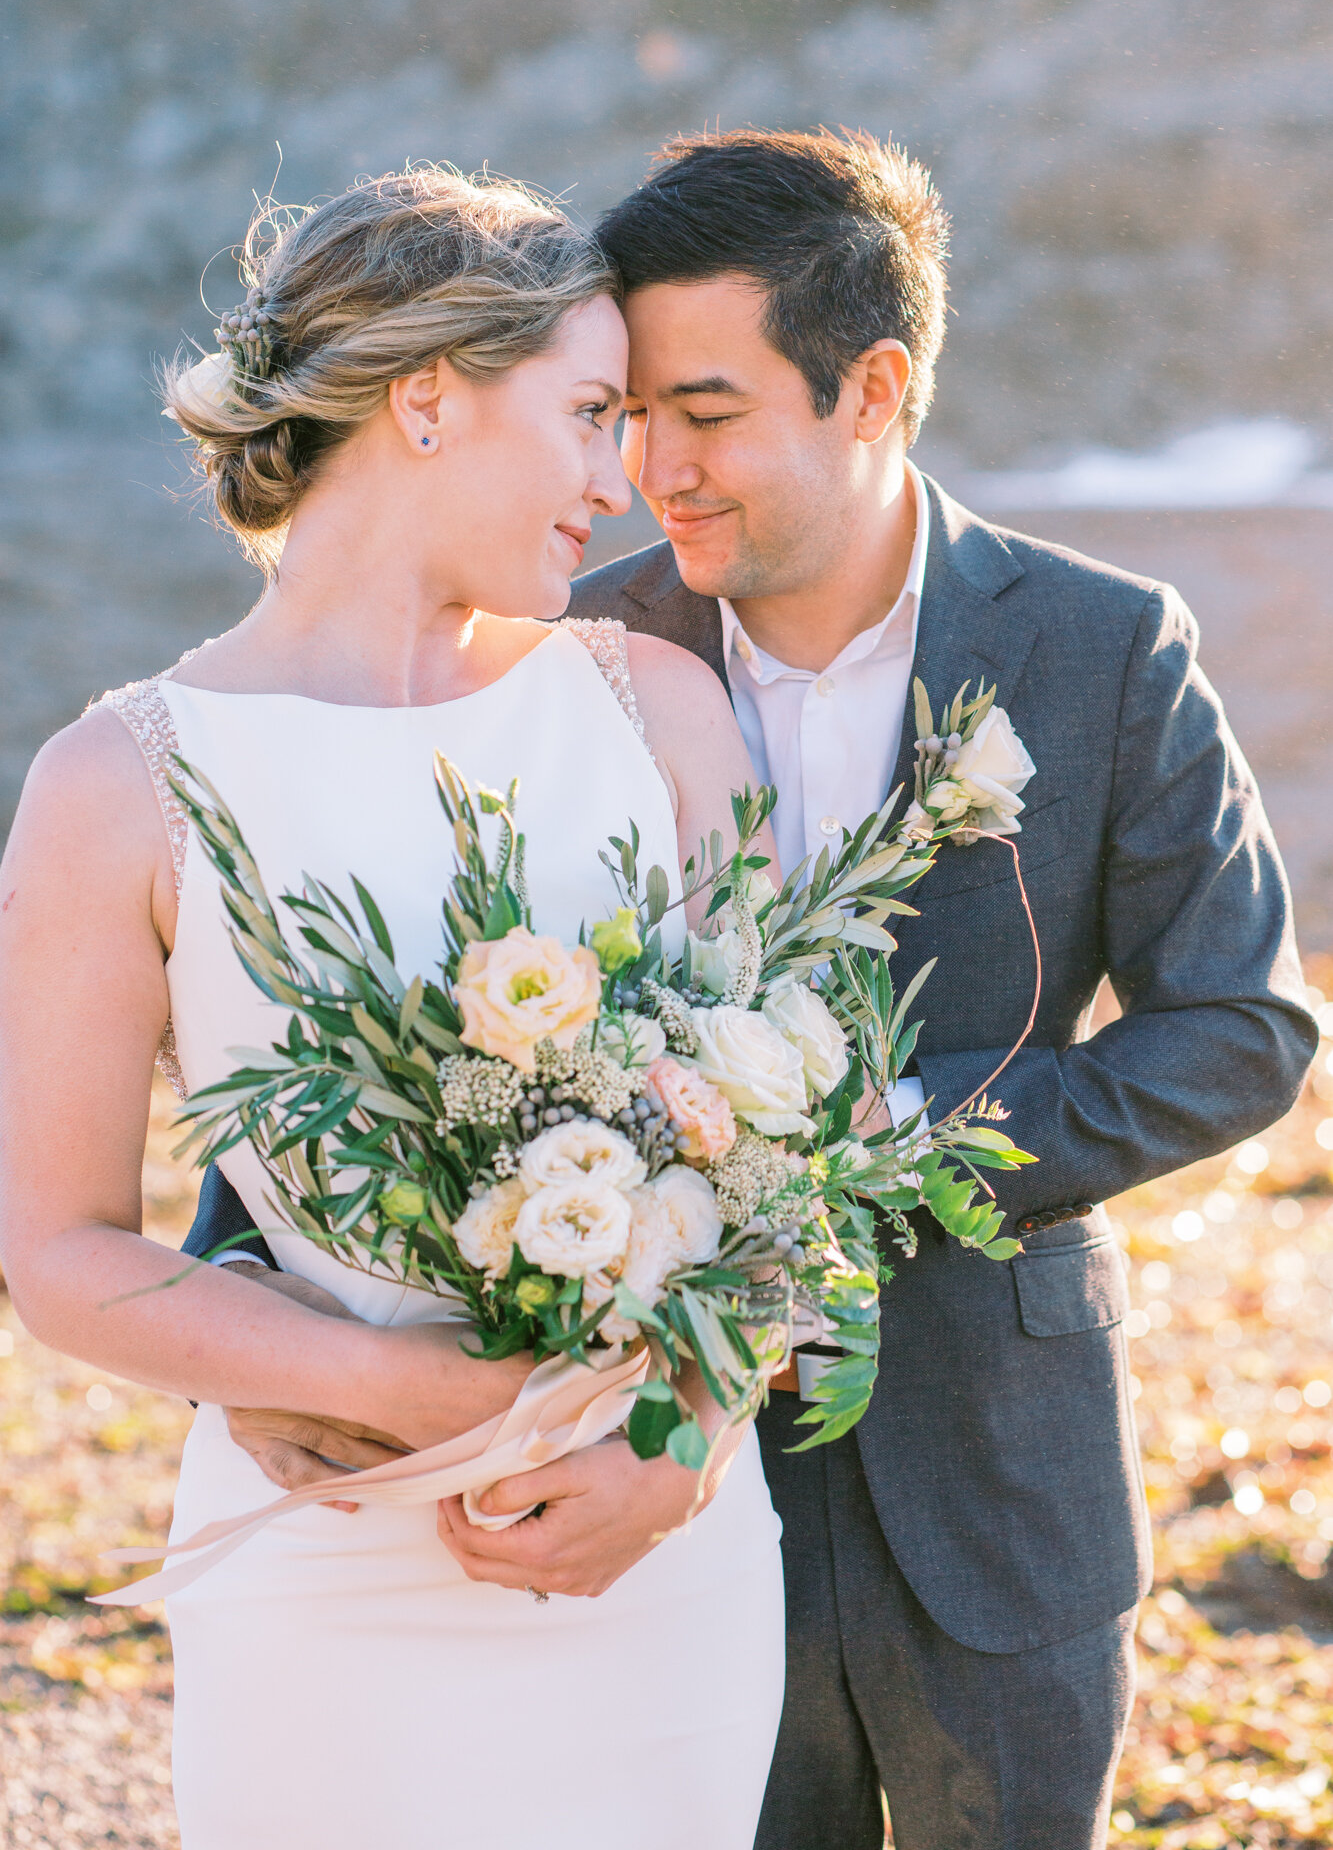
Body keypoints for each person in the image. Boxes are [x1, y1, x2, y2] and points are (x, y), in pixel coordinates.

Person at [185, 128, 1317, 1848]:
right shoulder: (559, 657)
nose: (649, 472)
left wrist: (889, 1141)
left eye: (702, 416)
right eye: (623, 416)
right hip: (640, 1482)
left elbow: (1237, 1030)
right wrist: (236, 1291)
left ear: (870, 390)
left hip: (994, 1470)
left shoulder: (1102, 647)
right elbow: (372, 989)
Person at [0, 166, 786, 1850]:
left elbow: (805, 1133)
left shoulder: (656, 709)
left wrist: (685, 1438)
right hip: (331, 1566)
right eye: (587, 415)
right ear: (426, 400)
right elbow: (60, 1249)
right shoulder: (117, 782)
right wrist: (395, 1387)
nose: (619, 478)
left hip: (660, 1566)